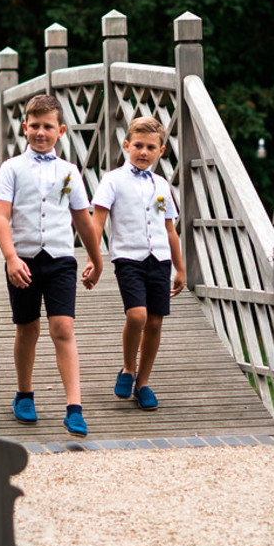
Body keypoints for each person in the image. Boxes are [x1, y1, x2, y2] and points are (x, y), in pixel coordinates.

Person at [0, 94, 103, 436]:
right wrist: (10, 258)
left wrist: (96, 260)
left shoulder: (69, 172)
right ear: (25, 127)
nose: (41, 132)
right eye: (35, 126)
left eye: (48, 127)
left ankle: (74, 407)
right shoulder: (11, 168)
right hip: (23, 260)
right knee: (28, 328)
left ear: (61, 131)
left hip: (60, 261)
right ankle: (24, 394)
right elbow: (0, 216)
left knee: (63, 328)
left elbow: (83, 221)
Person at [90, 115, 186, 410]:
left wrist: (180, 268)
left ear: (161, 152)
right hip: (128, 258)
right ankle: (128, 368)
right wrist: (94, 259)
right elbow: (97, 223)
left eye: (151, 147)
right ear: (126, 145)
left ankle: (143, 382)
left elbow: (170, 229)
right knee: (137, 316)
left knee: (155, 323)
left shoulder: (162, 185)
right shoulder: (112, 180)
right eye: (138, 146)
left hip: (159, 259)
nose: (144, 152)